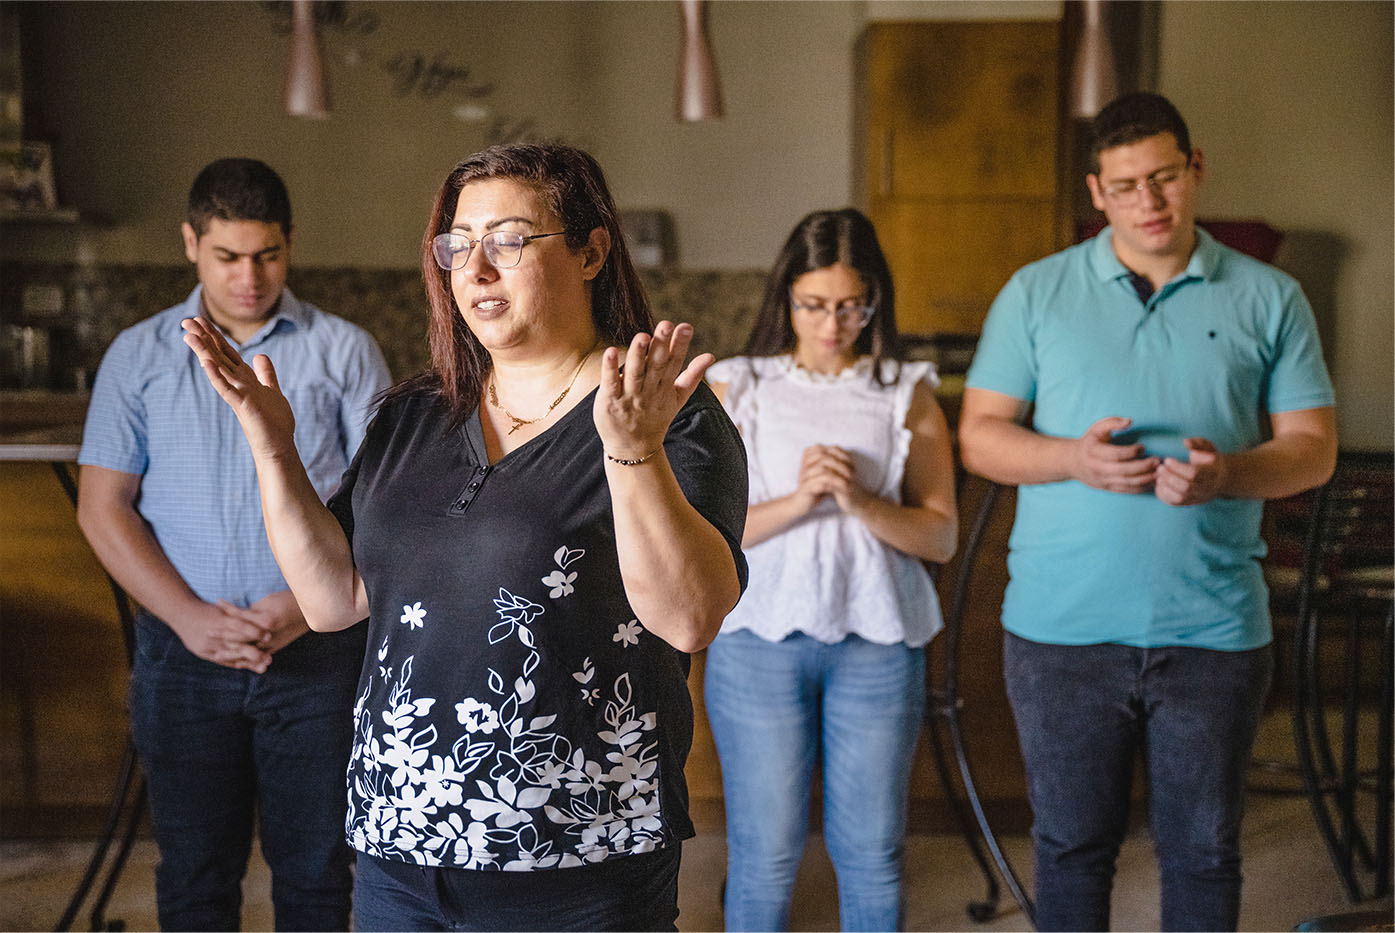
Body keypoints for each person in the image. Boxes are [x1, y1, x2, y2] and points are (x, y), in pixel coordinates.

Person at [180, 143, 749, 932]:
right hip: (399, 846)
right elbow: (333, 599)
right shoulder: (414, 416)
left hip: (576, 855)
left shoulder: (664, 415)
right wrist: (272, 446)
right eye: (456, 244)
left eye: (509, 239)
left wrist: (632, 451)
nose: (475, 268)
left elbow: (689, 617)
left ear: (591, 251)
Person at [959, 92, 1338, 931]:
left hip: (1212, 629)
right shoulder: (1035, 292)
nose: (1149, 202)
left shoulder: (1271, 297)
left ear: (1194, 168)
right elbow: (979, 438)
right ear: (1097, 191)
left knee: (1203, 853)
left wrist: (1227, 473)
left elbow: (1312, 447)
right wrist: (1069, 457)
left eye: (1163, 177)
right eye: (1125, 186)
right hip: (1059, 633)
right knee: (1068, 849)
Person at [76, 157, 391, 930]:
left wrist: (301, 606)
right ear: (191, 243)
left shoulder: (344, 349)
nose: (250, 276)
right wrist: (187, 617)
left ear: (290, 244)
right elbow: (103, 508)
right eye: (227, 256)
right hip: (182, 657)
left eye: (268, 254)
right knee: (194, 873)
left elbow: (385, 505)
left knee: (318, 871)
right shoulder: (137, 355)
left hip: (316, 655)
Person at [704, 208, 958, 932]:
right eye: (813, 304)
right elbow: (706, 533)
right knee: (763, 851)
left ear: (874, 301)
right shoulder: (737, 384)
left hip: (878, 641)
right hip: (755, 640)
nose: (830, 323)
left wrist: (858, 498)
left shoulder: (904, 388)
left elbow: (939, 535)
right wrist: (802, 498)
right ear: (785, 296)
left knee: (872, 848)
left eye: (851, 306)